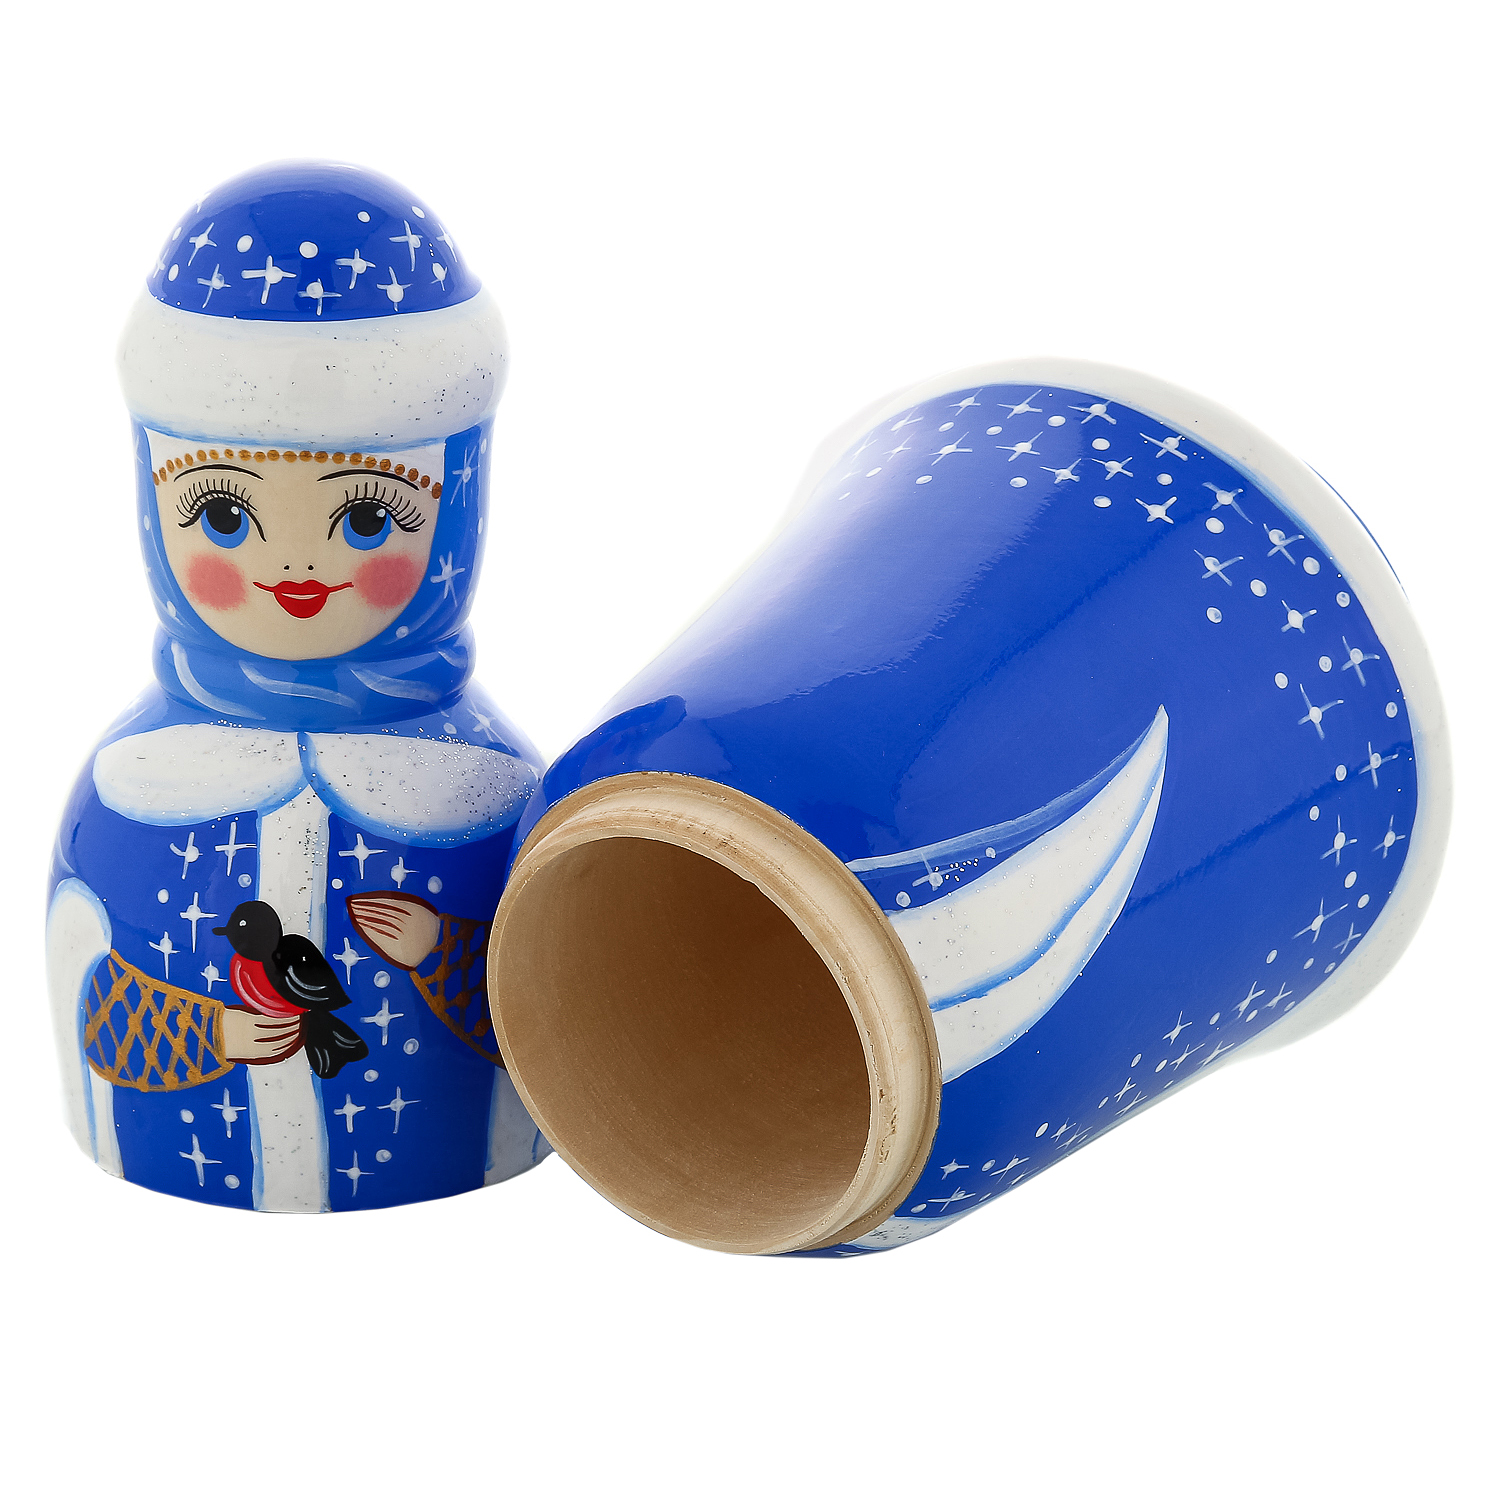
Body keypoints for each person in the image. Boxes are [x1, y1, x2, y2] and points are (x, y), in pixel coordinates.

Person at [46, 161, 549, 1211]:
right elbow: (109, 1021)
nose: (295, 566)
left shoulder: (487, 798)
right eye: (225, 515)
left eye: (366, 517)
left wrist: (436, 953)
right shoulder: (136, 792)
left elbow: (533, 1010)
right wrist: (217, 1034)